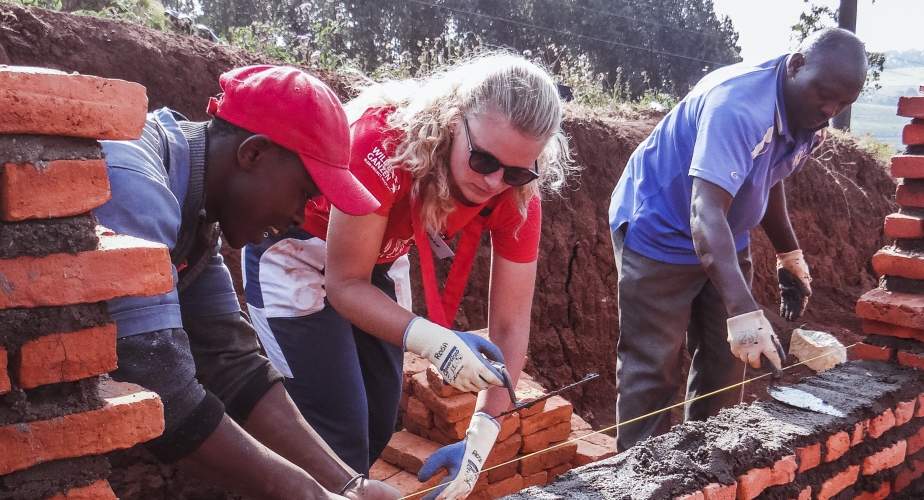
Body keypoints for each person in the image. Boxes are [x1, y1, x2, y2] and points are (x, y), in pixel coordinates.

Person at [242, 53, 572, 500]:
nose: (495, 182)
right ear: (455, 120)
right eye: (483, 160)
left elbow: (511, 327)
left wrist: (480, 437)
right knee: (334, 432)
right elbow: (345, 283)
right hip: (297, 245)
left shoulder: (519, 195)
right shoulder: (385, 142)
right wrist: (434, 341)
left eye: (515, 171)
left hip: (379, 257)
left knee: (377, 420)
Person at [93, 65, 398, 500]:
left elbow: (232, 362)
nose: (300, 217)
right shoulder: (135, 185)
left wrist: (348, 483)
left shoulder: (197, 213)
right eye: (305, 193)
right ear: (253, 153)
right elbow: (157, 385)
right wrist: (306, 494)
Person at [607, 28, 868, 451]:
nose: (830, 109)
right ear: (797, 65)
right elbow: (703, 212)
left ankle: (707, 467)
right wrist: (745, 308)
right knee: (654, 366)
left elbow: (768, 175)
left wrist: (789, 253)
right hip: (660, 229)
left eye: (844, 103)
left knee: (727, 364)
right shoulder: (739, 107)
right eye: (825, 94)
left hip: (725, 236)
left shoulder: (811, 118)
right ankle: (640, 477)